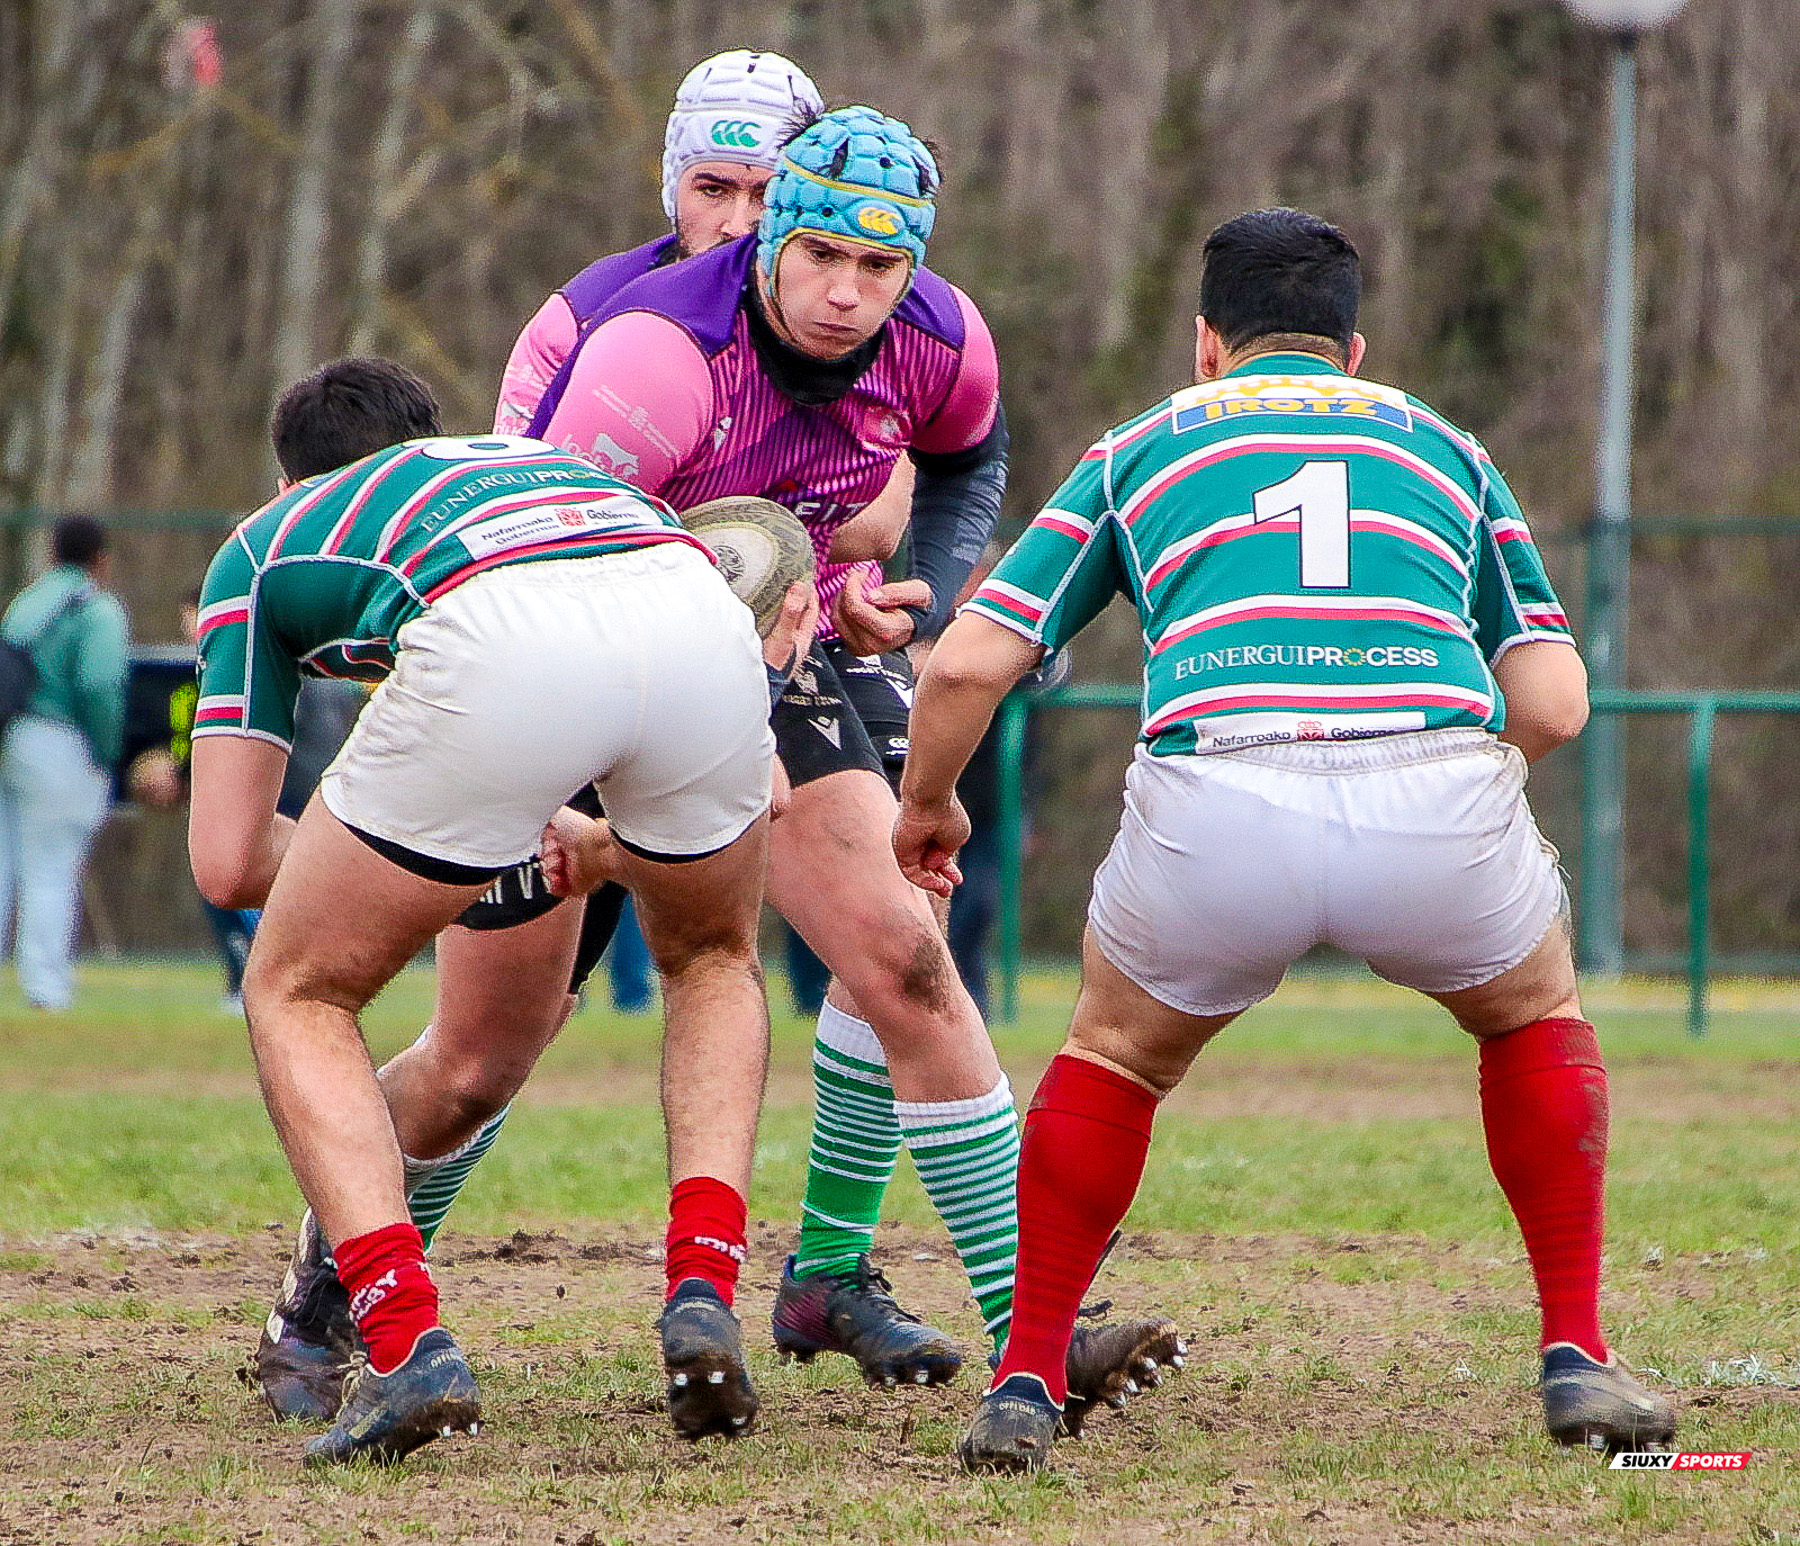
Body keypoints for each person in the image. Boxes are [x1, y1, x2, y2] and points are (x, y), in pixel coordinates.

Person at [894, 207, 1680, 1472]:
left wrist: (926, 806)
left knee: (1113, 1056)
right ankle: (1577, 1358)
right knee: (1535, 1016)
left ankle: (1029, 1376)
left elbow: (969, 666)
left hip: (1223, 800)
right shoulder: (1448, 451)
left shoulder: (1139, 445)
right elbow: (1553, 702)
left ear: (1206, 343)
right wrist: (1444, 781)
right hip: (1434, 790)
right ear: (1353, 349)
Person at [531, 104, 1179, 1412]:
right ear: (770, 234)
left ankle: (1035, 1331)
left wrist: (924, 600)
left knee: (903, 955)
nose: (845, 293)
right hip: (569, 653)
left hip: (779, 654)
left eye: (877, 268)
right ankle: (329, 1298)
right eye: (822, 254)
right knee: (488, 1044)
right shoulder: (655, 352)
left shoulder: (942, 336)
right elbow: (539, 557)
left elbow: (967, 461)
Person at [191, 357, 779, 1463]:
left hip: (500, 651)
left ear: (287, 483)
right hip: (685, 592)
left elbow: (226, 860)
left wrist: (424, 859)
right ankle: (702, 1289)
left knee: (296, 987)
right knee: (711, 955)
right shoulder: (524, 468)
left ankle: (410, 1346)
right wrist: (503, 842)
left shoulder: (267, 542)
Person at [0, 516, 130, 1010]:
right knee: (52, 868)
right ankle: (46, 987)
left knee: (6, 863)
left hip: (10, 737)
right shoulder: (96, 608)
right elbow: (100, 685)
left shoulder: (26, 603)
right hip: (60, 741)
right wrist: (106, 752)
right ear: (101, 558)